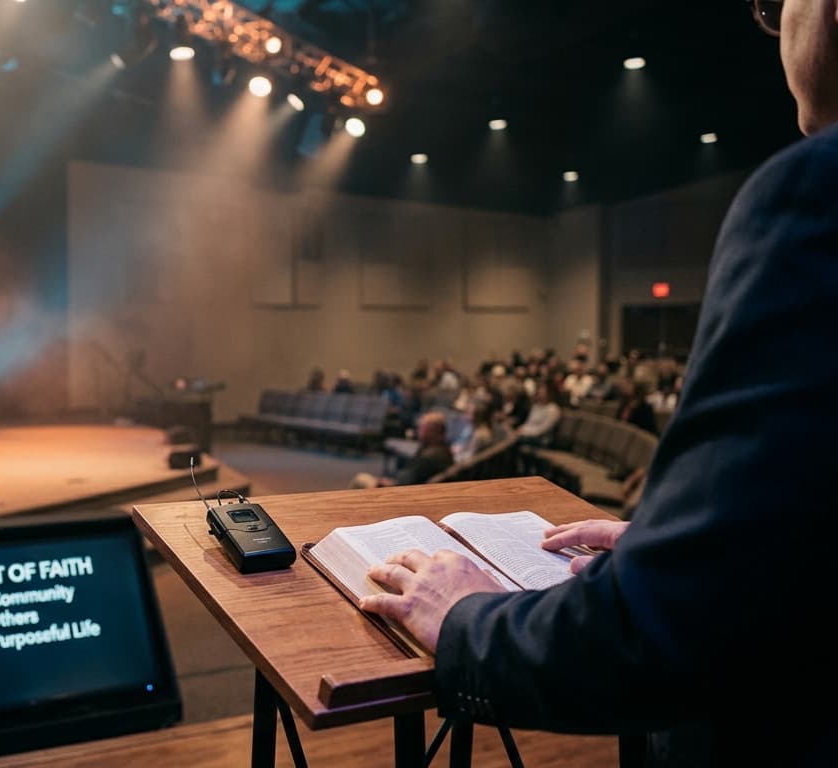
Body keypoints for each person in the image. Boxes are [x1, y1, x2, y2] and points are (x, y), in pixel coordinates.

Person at [358, 3, 836, 764]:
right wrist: (695, 546)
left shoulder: (817, 194)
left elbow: (669, 634)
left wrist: (464, 621)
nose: (775, 24)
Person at [350, 410, 453, 488]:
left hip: (398, 492)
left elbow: (406, 483)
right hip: (403, 485)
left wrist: (384, 482)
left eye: (422, 429)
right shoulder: (443, 450)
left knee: (360, 479)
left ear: (434, 432)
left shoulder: (429, 457)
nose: (419, 432)